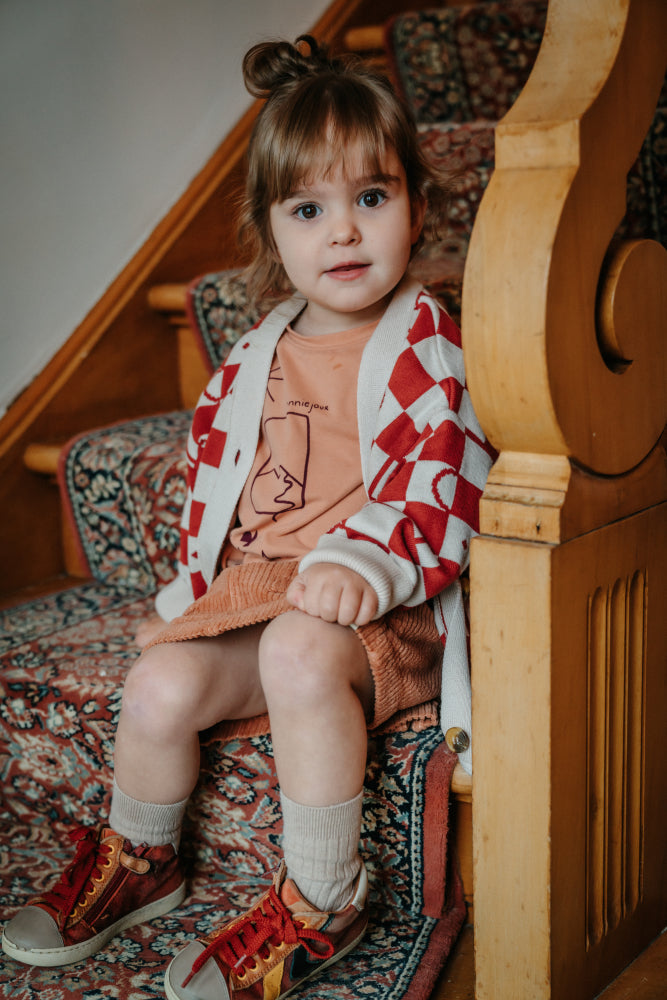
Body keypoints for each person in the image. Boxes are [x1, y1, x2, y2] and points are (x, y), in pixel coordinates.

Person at [2, 36, 495, 1000]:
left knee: (299, 653)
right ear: (271, 232)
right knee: (157, 684)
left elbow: (446, 485)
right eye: (308, 210)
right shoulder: (251, 355)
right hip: (264, 592)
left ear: (418, 206)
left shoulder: (425, 343)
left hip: (382, 607)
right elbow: (217, 490)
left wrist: (365, 563)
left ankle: (325, 900)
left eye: (371, 197)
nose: (342, 232)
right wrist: (191, 597)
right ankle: (143, 858)